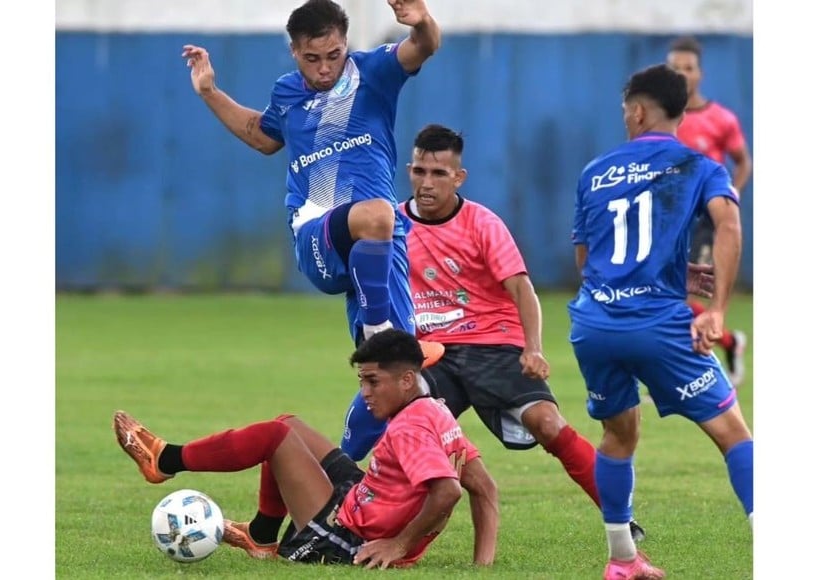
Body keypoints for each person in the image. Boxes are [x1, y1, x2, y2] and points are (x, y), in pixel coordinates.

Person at [180, 0, 444, 459]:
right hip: (317, 233)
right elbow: (261, 135)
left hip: (380, 250)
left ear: (346, 44)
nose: (325, 68)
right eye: (312, 58)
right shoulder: (287, 94)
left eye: (333, 55)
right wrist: (208, 91)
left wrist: (421, 21)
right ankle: (376, 330)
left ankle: (337, 475)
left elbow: (422, 46)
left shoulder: (374, 71)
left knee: (402, 378)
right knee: (381, 215)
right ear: (294, 52)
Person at [399, 123, 648, 542]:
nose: (427, 183)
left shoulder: (482, 223)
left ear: (459, 178)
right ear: (410, 170)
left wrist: (532, 348)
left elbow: (522, 289)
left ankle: (620, 517)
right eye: (420, 171)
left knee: (547, 424)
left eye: (438, 174)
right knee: (406, 431)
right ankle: (355, 518)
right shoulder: (392, 224)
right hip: (434, 352)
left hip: (493, 343)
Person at [568, 64, 753, 579]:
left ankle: (623, 560)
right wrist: (715, 309)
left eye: (626, 111)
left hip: (593, 325)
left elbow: (588, 262)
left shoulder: (594, 170)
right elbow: (729, 223)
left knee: (618, 435)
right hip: (656, 324)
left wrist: (669, 271)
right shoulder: (698, 165)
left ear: (639, 110)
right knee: (734, 434)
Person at [113, 329, 499, 568]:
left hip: (350, 541)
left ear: (408, 379)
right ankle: (262, 536)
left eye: (372, 381)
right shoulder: (437, 412)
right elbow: (485, 489)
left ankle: (166, 459)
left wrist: (399, 547)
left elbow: (447, 491)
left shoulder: (410, 427)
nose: (364, 393)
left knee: (272, 438)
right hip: (362, 502)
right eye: (361, 381)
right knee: (288, 425)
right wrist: (483, 566)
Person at [667, 35, 752, 387]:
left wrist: (728, 199)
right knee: (665, 294)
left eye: (688, 68)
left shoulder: (721, 119)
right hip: (668, 219)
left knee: (686, 296)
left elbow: (744, 163)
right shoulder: (662, 119)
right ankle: (731, 342)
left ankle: (682, 376)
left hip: (703, 218)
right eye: (675, 68)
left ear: (699, 74)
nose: (682, 74)